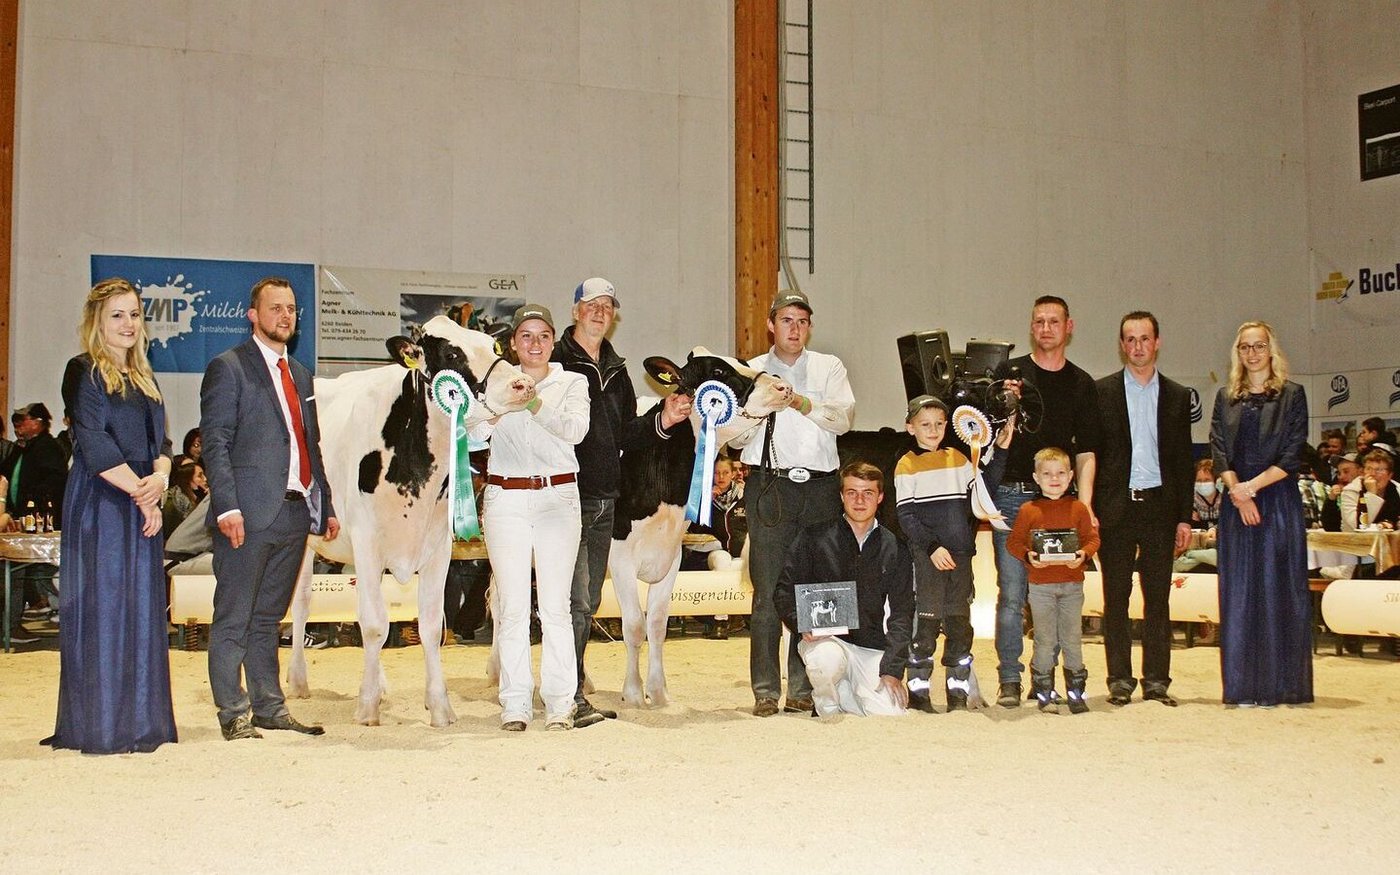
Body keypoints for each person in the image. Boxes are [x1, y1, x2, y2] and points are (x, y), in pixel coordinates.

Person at [201, 277, 339, 740]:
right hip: (246, 514)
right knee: (234, 616)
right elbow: (215, 443)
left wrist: (325, 503)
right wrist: (227, 507)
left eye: (291, 309)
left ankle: (269, 706)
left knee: (267, 619)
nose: (285, 316)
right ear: (253, 315)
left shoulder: (300, 373)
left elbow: (309, 444)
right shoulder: (228, 368)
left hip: (295, 512)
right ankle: (232, 712)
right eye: (275, 307)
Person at [43, 278, 176, 754]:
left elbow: (163, 444)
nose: (128, 324)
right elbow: (95, 444)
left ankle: (141, 723)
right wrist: (143, 495)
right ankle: (101, 726)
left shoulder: (146, 377)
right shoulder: (82, 371)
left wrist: (160, 481)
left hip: (142, 500)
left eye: (135, 314)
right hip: (103, 501)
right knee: (105, 609)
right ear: (97, 322)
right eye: (117, 315)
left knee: (141, 609)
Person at [553, 277, 677, 727]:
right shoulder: (555, 360)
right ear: (576, 311)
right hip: (560, 492)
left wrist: (664, 417)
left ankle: (570, 683)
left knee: (586, 597)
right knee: (570, 598)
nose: (600, 312)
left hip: (604, 497)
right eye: (592, 304)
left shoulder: (617, 370)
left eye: (607, 306)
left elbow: (628, 433)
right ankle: (565, 690)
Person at [729, 290, 855, 717]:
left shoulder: (829, 367)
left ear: (809, 327)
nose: (795, 328)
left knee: (816, 589)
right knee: (766, 591)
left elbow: (843, 419)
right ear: (771, 325)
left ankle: (806, 686)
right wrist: (760, 408)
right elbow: (734, 439)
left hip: (820, 487)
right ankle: (766, 691)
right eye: (786, 320)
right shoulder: (749, 370)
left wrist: (800, 402)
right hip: (770, 485)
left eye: (802, 321)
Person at [474, 304, 589, 730]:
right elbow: (472, 434)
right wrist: (499, 405)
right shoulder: (497, 383)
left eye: (543, 335)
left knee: (556, 606)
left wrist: (534, 402)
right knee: (513, 606)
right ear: (513, 343)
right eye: (526, 335)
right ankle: (515, 702)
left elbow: (576, 430)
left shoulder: (572, 382)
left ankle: (560, 702)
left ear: (553, 341)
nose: (535, 343)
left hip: (558, 497)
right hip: (506, 498)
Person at [990, 296, 1100, 707]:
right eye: (1039, 321)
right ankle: (1009, 679)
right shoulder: (1009, 374)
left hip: (1059, 501)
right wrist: (1006, 407)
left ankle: (1047, 678)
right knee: (1012, 593)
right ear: (1031, 326)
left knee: (1057, 591)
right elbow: (986, 434)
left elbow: (1086, 452)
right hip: (1011, 494)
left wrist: (1084, 506)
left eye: (1054, 321)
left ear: (1069, 327)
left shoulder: (1082, 383)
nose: (1046, 328)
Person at [1093, 312, 1194, 707]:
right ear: (1122, 345)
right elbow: (1092, 455)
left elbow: (1183, 461)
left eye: (1145, 338)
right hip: (1116, 508)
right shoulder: (1101, 392)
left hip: (1159, 509)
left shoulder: (1178, 396)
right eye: (1130, 339)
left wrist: (1184, 516)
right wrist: (1090, 509)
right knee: (1115, 599)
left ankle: (1156, 681)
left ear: (1157, 342)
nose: (1138, 346)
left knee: (1158, 600)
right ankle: (1119, 680)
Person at [1209, 321, 1311, 707]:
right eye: (1245, 347)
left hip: (1277, 503)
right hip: (1237, 506)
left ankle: (1278, 686)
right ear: (1237, 352)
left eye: (1259, 346)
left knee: (1276, 591)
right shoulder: (1225, 397)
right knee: (1239, 595)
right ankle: (1242, 687)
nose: (1252, 353)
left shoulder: (1292, 395)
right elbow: (1219, 450)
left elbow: (1292, 453)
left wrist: (1251, 488)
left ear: (1271, 350)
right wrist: (1238, 492)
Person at [894, 395, 1012, 712]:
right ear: (910, 427)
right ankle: (919, 694)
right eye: (925, 424)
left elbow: (984, 489)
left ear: (947, 425)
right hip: (928, 558)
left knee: (959, 626)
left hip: (960, 556)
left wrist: (1000, 450)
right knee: (926, 628)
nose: (933, 430)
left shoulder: (959, 459)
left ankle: (957, 694)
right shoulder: (907, 465)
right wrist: (932, 547)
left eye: (939, 424)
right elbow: (906, 516)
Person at [773, 462, 913, 717]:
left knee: (891, 711)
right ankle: (827, 705)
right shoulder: (813, 537)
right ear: (841, 496)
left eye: (868, 493)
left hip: (870, 647)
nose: (859, 500)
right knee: (825, 662)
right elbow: (784, 590)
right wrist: (801, 624)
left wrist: (892, 670)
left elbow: (902, 614)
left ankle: (847, 691)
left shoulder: (895, 548)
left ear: (880, 497)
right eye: (852, 492)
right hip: (826, 641)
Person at [1006, 447, 1100, 713]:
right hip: (1040, 588)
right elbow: (1013, 542)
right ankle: (1044, 693)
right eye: (1047, 474)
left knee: (1072, 639)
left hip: (1072, 585)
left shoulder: (1079, 508)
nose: (1054, 478)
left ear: (1071, 476)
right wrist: (1028, 555)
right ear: (1036, 478)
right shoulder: (1028, 510)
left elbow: (1092, 539)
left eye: (1060, 473)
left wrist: (1083, 554)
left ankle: (1076, 693)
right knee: (1045, 640)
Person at [680, 455, 747, 640]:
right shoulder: (702, 500)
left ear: (733, 474)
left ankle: (739, 616)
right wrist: (705, 502)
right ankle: (720, 622)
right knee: (723, 560)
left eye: (725, 472)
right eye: (717, 473)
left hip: (741, 555)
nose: (721, 477)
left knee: (737, 563)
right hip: (712, 554)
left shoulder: (744, 498)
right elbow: (689, 531)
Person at [1175, 459, 1222, 572]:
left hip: (1218, 546)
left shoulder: (1226, 499)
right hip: (1195, 547)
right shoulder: (1188, 502)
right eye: (1199, 481)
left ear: (1215, 480)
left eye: (1206, 480)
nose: (1202, 484)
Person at [161, 461, 207, 538]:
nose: (205, 479)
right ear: (188, 479)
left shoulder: (198, 496)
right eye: (200, 476)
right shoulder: (173, 503)